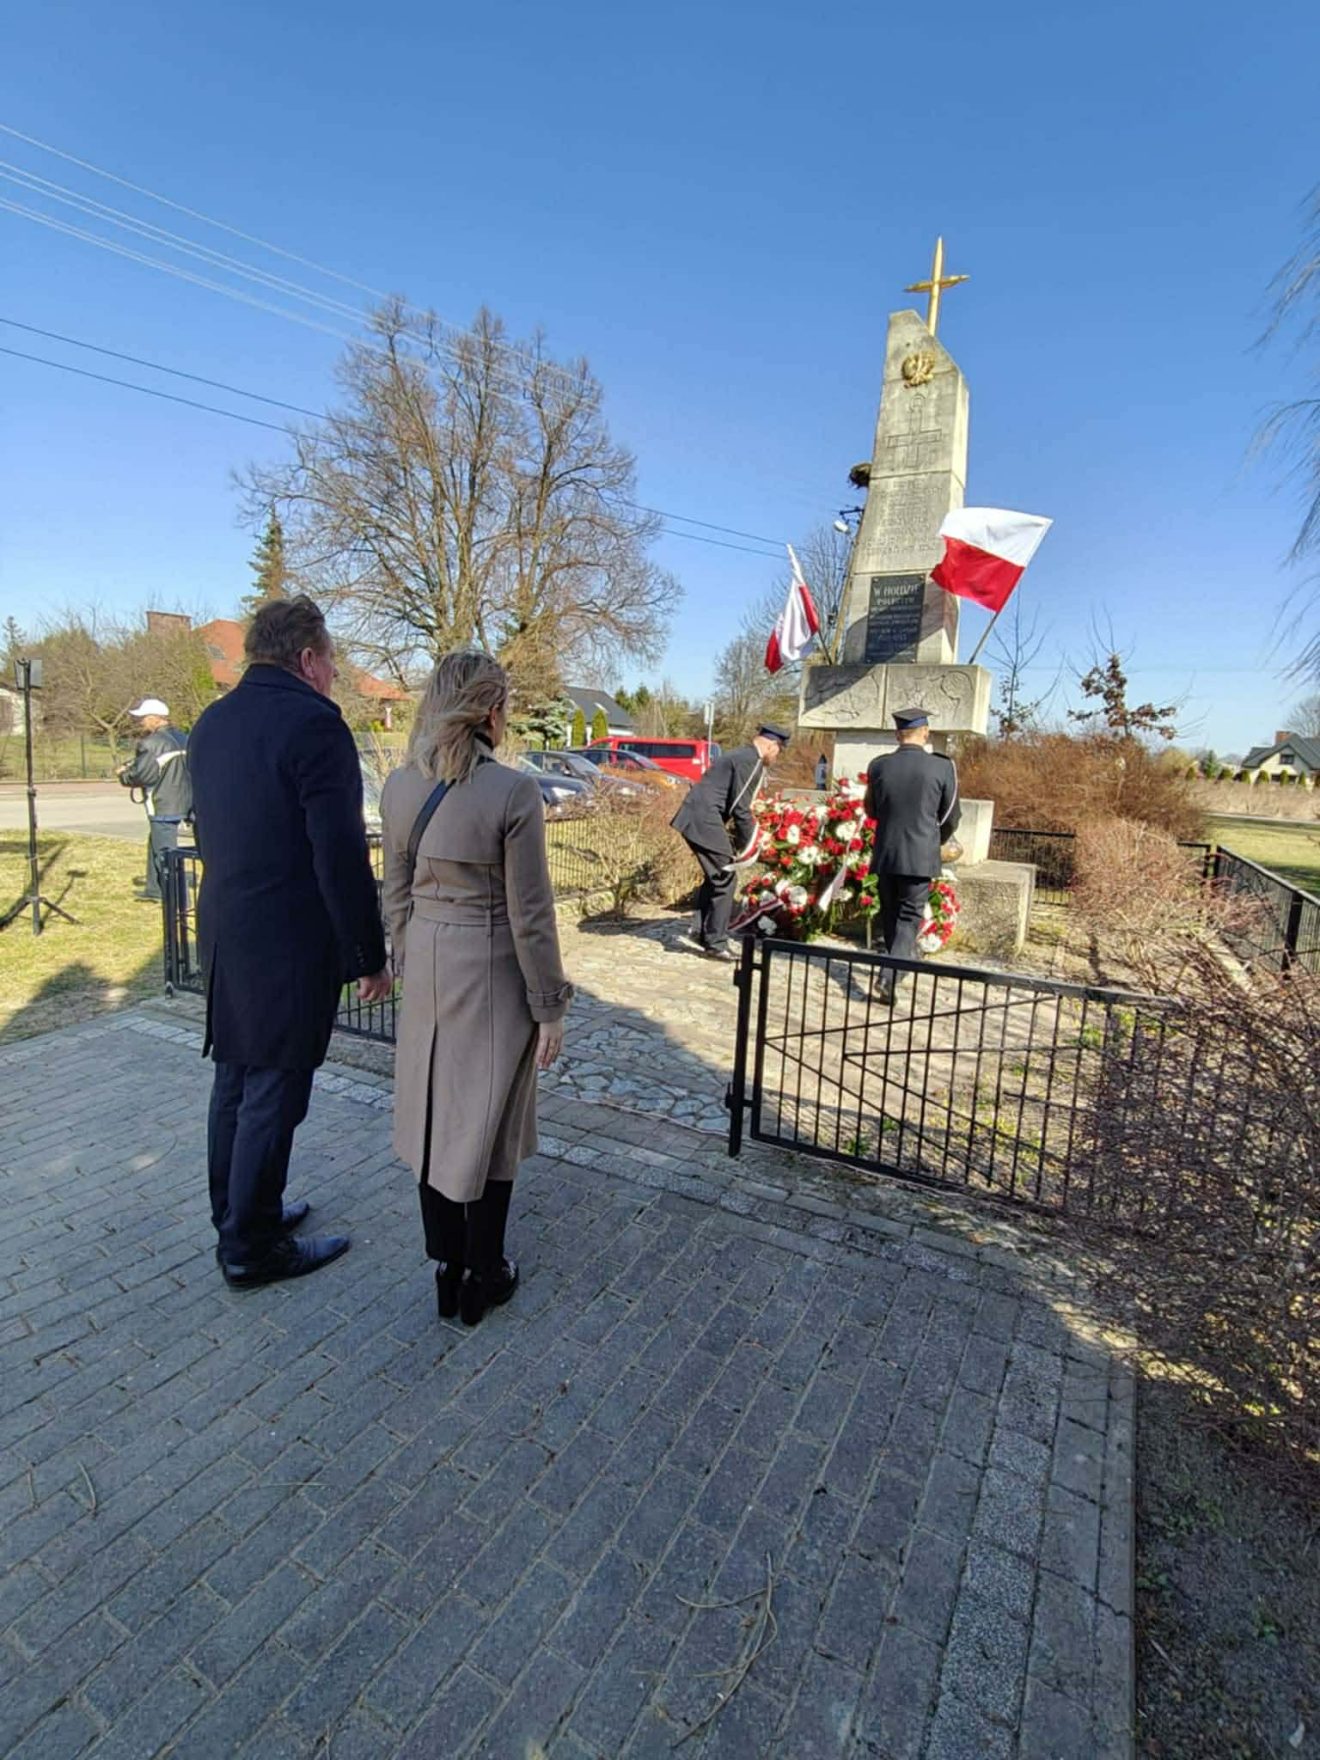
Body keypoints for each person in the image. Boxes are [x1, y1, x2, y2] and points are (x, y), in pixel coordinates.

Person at [188, 596, 391, 1288]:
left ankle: (243, 1214)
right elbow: (338, 853)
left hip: (224, 929)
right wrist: (368, 954)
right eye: (332, 660)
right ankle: (251, 1248)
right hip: (285, 940)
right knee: (273, 1088)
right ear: (307, 659)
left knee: (236, 1081)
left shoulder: (211, 723)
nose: (335, 673)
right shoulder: (315, 725)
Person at [380, 651, 572, 1328]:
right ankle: (482, 1273)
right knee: (488, 1123)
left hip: (428, 965)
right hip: (490, 969)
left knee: (433, 1112)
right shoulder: (512, 791)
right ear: (493, 711)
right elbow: (531, 914)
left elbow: (395, 887)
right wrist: (549, 1007)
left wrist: (408, 953)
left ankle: (445, 1263)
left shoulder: (400, 784)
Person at [863, 707, 960, 1005]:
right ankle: (889, 975)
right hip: (920, 855)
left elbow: (871, 810)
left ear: (897, 735)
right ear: (926, 733)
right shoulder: (942, 768)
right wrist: (934, 841)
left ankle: (892, 973)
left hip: (887, 853)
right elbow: (951, 816)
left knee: (892, 916)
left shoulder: (879, 766)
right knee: (908, 917)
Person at [672, 723, 789, 961]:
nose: (776, 757)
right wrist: (753, 843)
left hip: (696, 816)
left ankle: (700, 930)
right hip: (704, 819)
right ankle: (716, 942)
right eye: (778, 751)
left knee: (716, 875)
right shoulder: (751, 761)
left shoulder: (742, 754)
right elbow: (740, 808)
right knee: (726, 876)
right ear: (771, 745)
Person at [117, 698, 192, 902]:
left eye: (142, 718)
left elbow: (144, 776)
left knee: (165, 852)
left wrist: (124, 774)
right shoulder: (184, 738)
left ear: (154, 719)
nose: (140, 722)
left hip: (163, 803)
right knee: (156, 845)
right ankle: (155, 889)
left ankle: (176, 897)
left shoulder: (151, 743)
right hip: (187, 801)